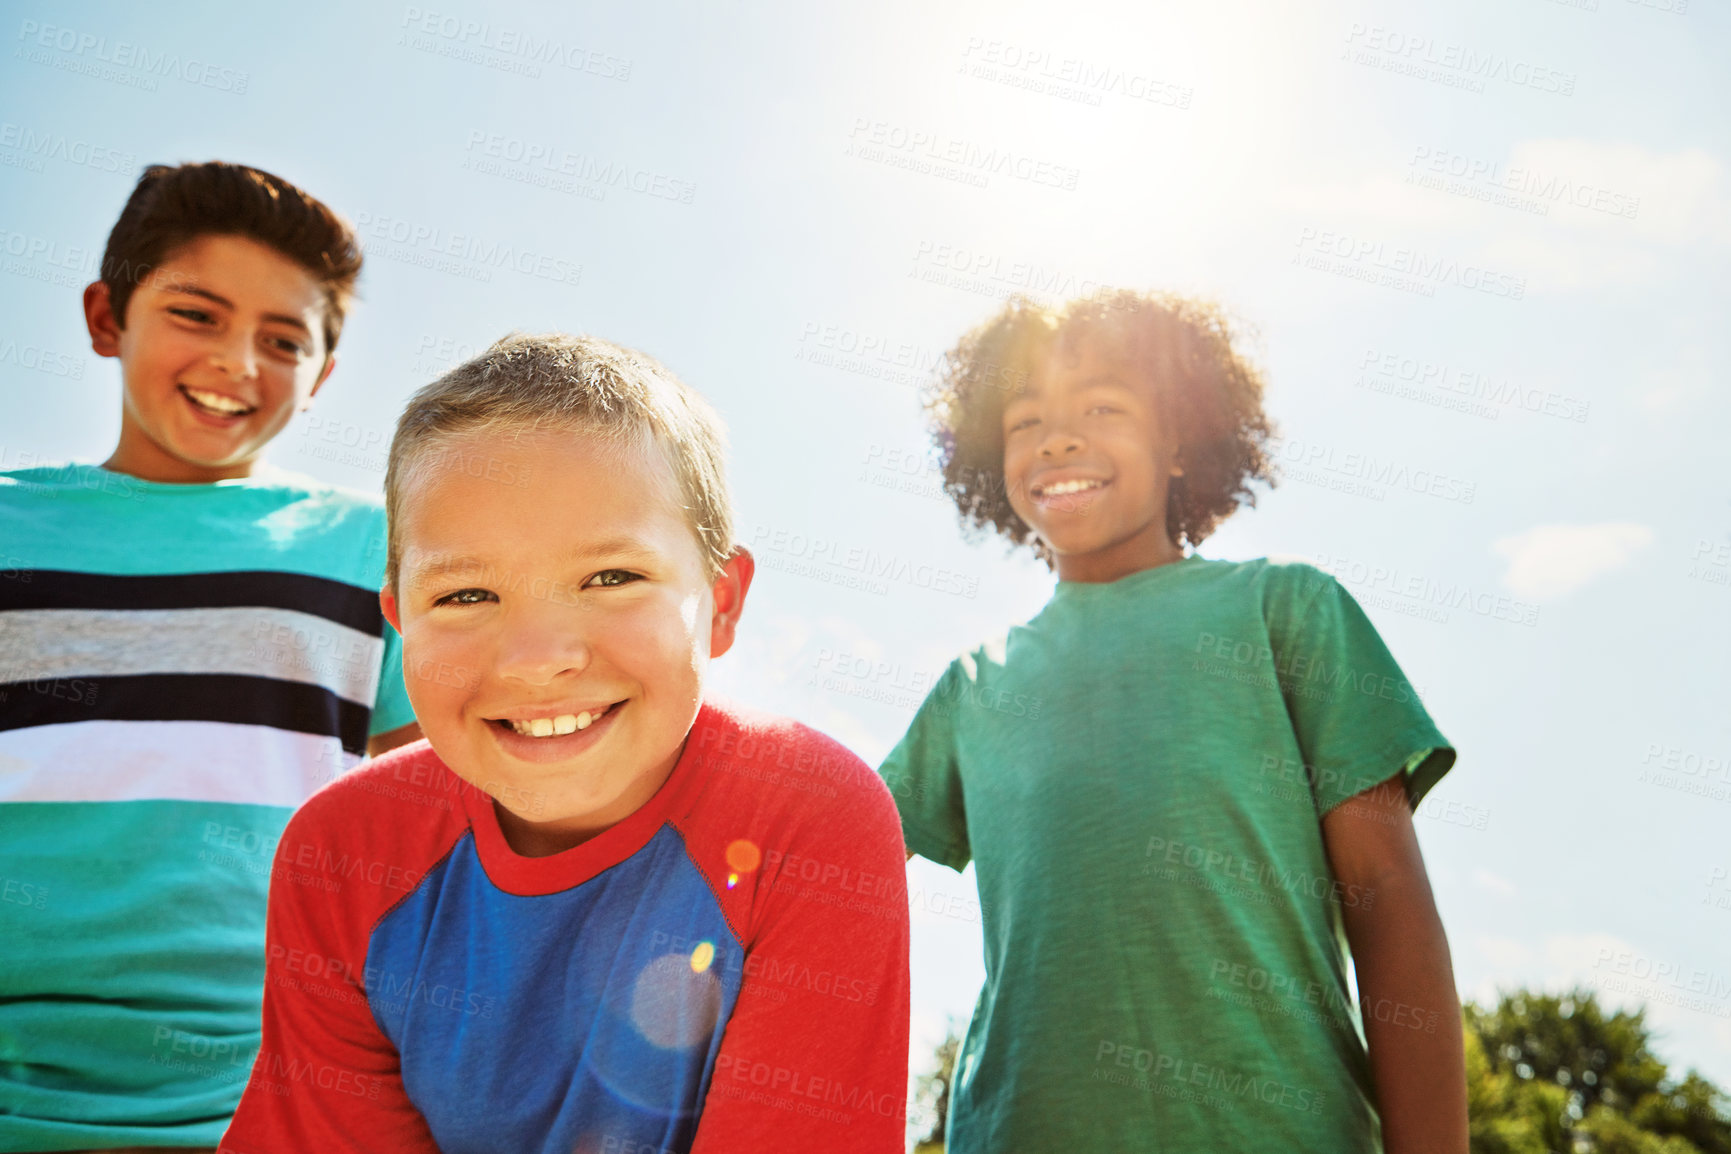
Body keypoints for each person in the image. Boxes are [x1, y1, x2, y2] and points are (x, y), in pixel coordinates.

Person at [220, 333, 911, 1153]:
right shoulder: (342, 853)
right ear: (400, 622)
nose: (538, 659)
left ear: (721, 605)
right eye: (467, 593)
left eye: (612, 578)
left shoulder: (810, 816)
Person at [882, 291, 1468, 1152]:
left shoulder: (1286, 612)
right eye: (1024, 420)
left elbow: (1385, 898)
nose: (1057, 438)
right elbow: (823, 854)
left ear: (1179, 442)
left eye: (1103, 407)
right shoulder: (972, 688)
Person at [0, 161, 420, 1153]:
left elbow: (434, 827)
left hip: (269, 1095)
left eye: (283, 340)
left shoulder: (377, 551)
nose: (238, 363)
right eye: (196, 313)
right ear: (108, 317)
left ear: (319, 375)